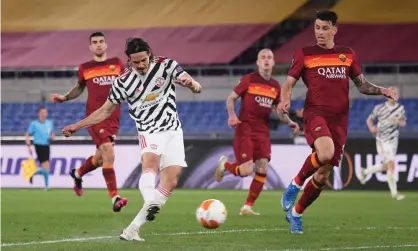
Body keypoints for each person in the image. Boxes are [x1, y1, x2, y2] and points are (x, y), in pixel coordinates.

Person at [62, 37, 202, 241]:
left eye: (143, 60)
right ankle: (150, 200)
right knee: (150, 165)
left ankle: (132, 229)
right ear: (129, 60)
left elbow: (192, 83)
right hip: (148, 130)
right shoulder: (123, 81)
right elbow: (104, 111)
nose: (140, 65)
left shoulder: (167, 65)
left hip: (173, 131)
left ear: (150, 54)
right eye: (135, 62)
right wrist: (77, 126)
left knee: (171, 180)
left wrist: (192, 85)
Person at [278, 11, 397, 234]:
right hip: (316, 114)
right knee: (324, 152)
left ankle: (296, 215)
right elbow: (288, 83)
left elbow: (361, 85)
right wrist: (285, 99)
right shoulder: (304, 54)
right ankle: (294, 185)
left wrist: (383, 90)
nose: (320, 32)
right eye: (316, 28)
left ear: (335, 29)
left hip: (340, 121)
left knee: (323, 175)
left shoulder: (348, 55)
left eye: (324, 28)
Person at [214, 49, 299, 215]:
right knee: (246, 170)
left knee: (262, 168)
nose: (266, 60)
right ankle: (225, 165)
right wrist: (232, 116)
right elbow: (230, 99)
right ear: (258, 62)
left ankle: (247, 207)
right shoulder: (249, 80)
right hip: (245, 128)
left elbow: (278, 110)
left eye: (269, 58)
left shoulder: (275, 86)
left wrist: (290, 122)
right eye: (263, 58)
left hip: (263, 132)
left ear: (273, 62)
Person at [50, 32, 128, 212]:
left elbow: (127, 84)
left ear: (106, 45)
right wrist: (65, 97)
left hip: (114, 116)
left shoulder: (116, 63)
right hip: (94, 117)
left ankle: (77, 174)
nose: (98, 45)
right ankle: (115, 197)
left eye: (101, 42)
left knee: (100, 159)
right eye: (95, 42)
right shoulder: (85, 68)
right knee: (108, 151)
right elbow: (79, 88)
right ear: (90, 47)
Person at [359, 87, 406, 200]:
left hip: (393, 140)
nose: (393, 95)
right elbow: (369, 119)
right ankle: (394, 193)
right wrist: (371, 128)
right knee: (391, 164)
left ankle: (365, 172)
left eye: (395, 93)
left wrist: (398, 121)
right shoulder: (379, 108)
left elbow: (403, 123)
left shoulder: (400, 108)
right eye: (391, 93)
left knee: (387, 166)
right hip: (382, 140)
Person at [25, 106, 54, 190]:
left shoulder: (49, 123)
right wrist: (29, 146)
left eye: (45, 112)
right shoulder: (34, 124)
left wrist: (52, 136)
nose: (44, 114)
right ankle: (47, 186)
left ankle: (33, 172)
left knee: (47, 167)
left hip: (47, 145)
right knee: (46, 165)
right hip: (39, 145)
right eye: (42, 113)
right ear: (39, 114)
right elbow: (27, 134)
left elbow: (52, 133)